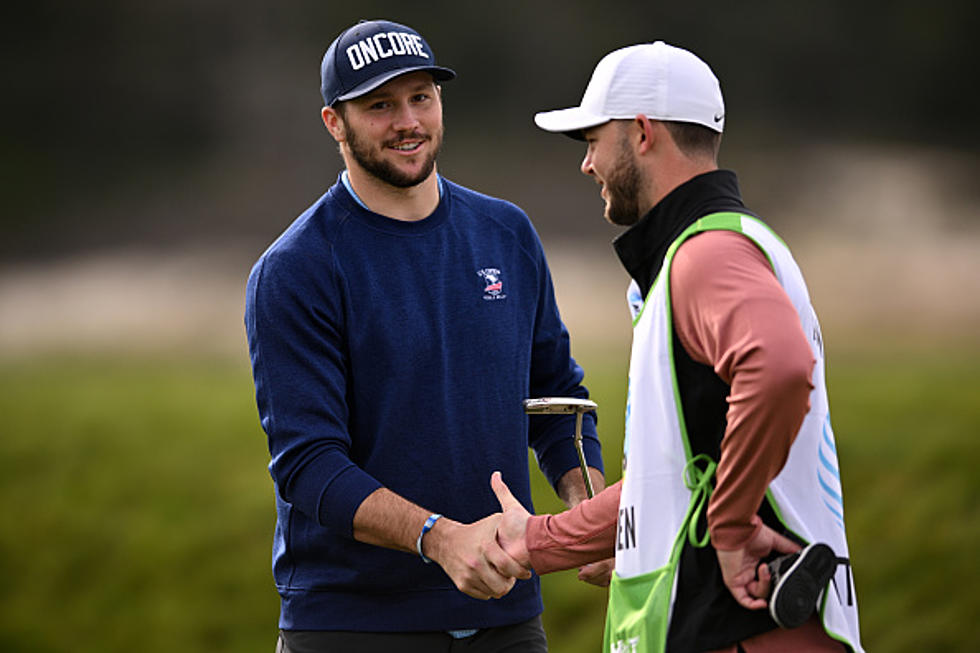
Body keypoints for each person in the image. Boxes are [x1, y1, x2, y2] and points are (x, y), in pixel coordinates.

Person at [487, 41, 865, 652]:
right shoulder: (727, 246)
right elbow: (672, 485)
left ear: (640, 132)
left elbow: (779, 370)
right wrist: (536, 540)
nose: (586, 165)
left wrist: (733, 525)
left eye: (592, 140)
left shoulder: (707, 254)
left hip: (743, 630)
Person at [243, 19, 605, 653]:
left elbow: (556, 400)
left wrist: (589, 517)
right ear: (335, 122)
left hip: (507, 618)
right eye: (380, 105)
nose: (407, 120)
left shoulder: (506, 233)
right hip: (355, 626)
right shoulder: (297, 268)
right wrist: (440, 538)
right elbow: (308, 464)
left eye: (421, 97)